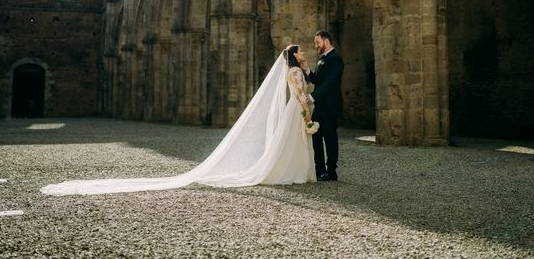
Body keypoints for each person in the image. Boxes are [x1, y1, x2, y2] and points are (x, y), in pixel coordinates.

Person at [41, 45, 316, 195]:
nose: (304, 52)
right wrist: (307, 112)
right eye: (301, 50)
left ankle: (292, 171)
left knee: (290, 142)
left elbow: (303, 87)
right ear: (293, 55)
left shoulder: (294, 69)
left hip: (295, 109)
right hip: (296, 109)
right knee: (291, 141)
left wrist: (306, 89)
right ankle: (288, 171)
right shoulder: (293, 72)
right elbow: (301, 94)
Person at [302, 30, 344, 181]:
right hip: (319, 107)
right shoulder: (322, 60)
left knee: (330, 139)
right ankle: (320, 170)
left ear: (326, 41)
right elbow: (318, 80)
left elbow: (330, 83)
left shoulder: (336, 59)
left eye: (317, 42)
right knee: (316, 138)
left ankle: (331, 171)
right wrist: (307, 69)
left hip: (330, 107)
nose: (316, 46)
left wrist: (312, 96)